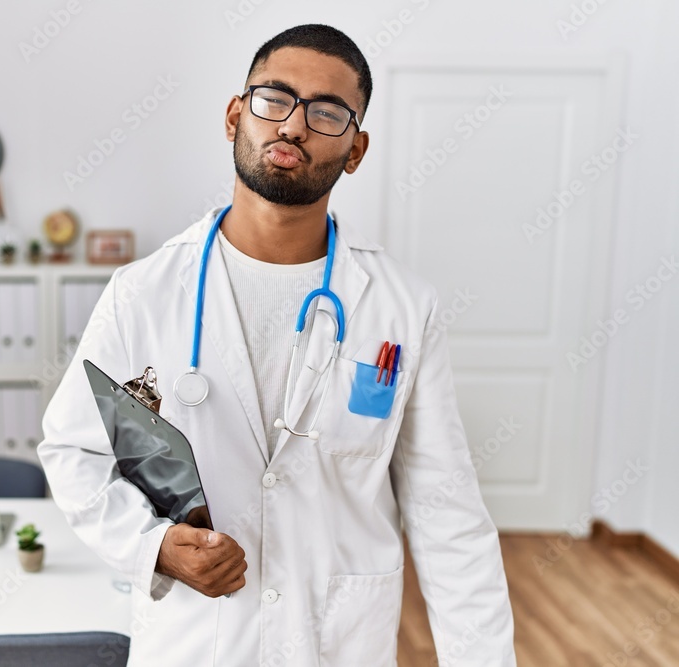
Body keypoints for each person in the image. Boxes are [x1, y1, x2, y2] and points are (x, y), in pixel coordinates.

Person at [38, 23, 517, 666]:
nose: (293, 124)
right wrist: (153, 546)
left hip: (338, 644)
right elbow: (74, 449)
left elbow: (446, 514)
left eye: (327, 112)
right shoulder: (142, 293)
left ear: (356, 149)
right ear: (237, 115)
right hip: (199, 641)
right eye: (274, 98)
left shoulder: (401, 307)